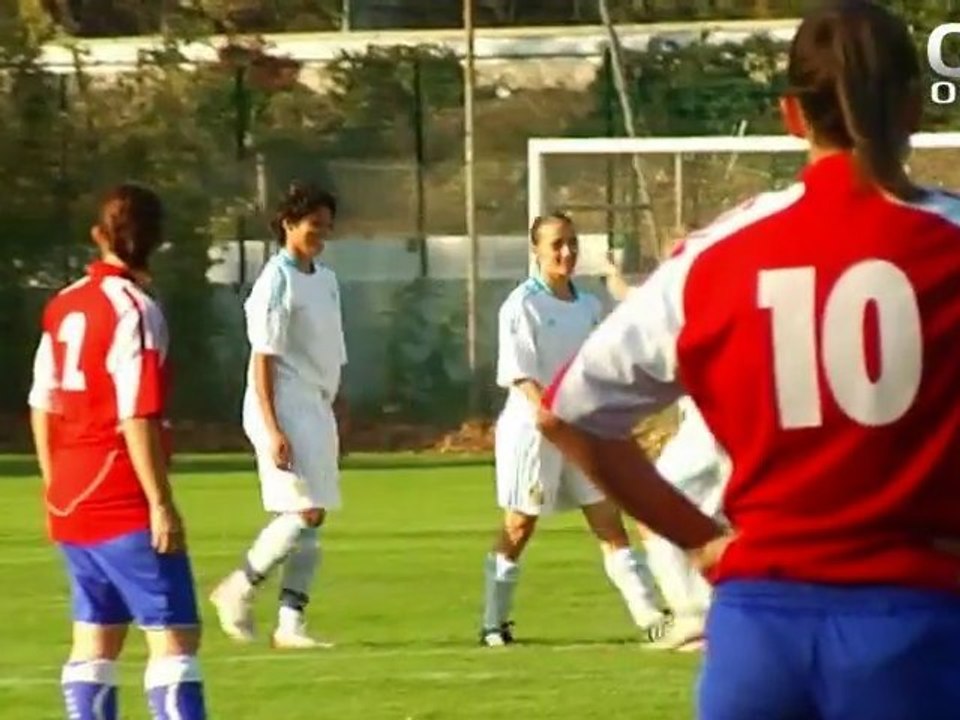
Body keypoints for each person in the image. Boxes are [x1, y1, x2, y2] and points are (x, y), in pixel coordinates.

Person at [540, 1, 960, 718]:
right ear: (914, 107)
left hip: (759, 635)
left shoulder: (717, 258)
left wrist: (701, 539)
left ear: (792, 116)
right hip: (915, 626)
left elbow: (570, 414)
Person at [27, 184, 207, 720]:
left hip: (70, 494)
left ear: (98, 235)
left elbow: (43, 401)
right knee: (175, 641)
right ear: (159, 241)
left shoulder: (62, 305)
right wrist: (159, 502)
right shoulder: (136, 309)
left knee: (95, 640)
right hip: (121, 491)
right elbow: (136, 411)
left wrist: (54, 482)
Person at [479, 212, 669, 647]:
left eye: (571, 243)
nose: (566, 252)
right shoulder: (521, 304)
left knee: (608, 521)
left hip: (581, 431)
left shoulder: (587, 305)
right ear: (537, 251)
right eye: (556, 245)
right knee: (519, 526)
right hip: (535, 432)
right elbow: (520, 375)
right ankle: (494, 622)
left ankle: (649, 617)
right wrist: (549, 414)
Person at [211, 182, 347, 650]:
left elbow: (328, 350)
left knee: (314, 513)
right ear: (288, 224)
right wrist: (272, 426)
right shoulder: (276, 280)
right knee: (301, 510)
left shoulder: (325, 279)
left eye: (327, 226)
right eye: (314, 225)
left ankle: (290, 624)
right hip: (282, 402)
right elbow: (263, 358)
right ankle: (239, 587)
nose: (321, 234)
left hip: (314, 402)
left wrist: (334, 401)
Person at [604, 257, 730, 652]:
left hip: (710, 433)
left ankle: (693, 616)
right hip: (724, 431)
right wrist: (616, 280)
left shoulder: (698, 302)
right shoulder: (723, 296)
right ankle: (716, 616)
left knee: (652, 511)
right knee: (710, 523)